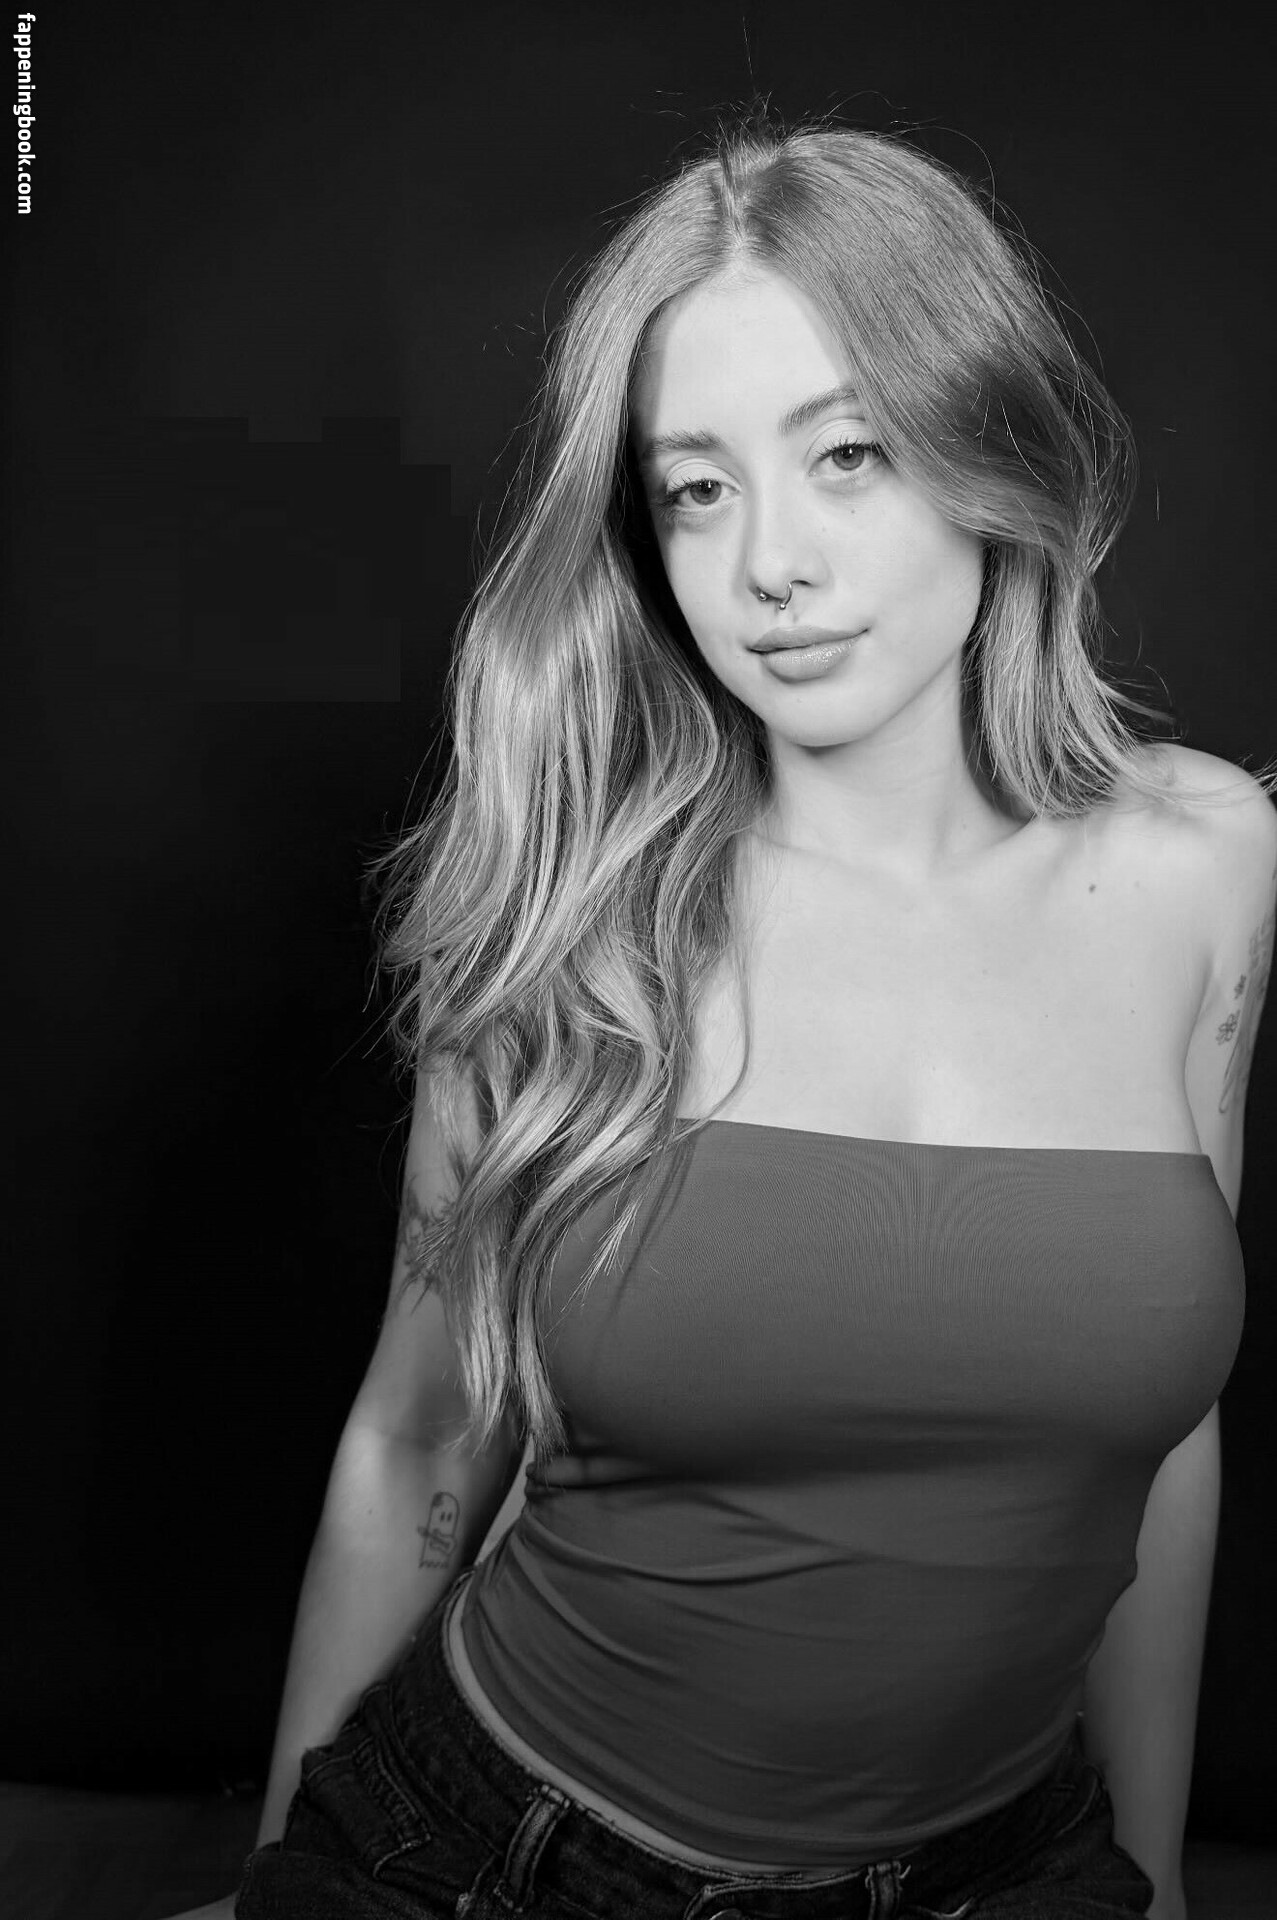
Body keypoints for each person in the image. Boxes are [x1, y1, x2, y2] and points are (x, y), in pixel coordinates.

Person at [173, 108, 1277, 1920]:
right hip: (503, 1854)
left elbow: (1157, 1438)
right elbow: (417, 1442)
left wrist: (1144, 1876)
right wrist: (288, 1872)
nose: (768, 563)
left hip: (1005, 1868)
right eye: (696, 488)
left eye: (845, 454)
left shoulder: (1204, 862)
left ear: (985, 444)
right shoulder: (566, 916)